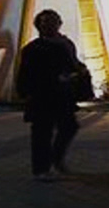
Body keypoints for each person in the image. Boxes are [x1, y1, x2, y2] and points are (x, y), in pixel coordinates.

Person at [18, 9, 87, 181]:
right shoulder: (32, 48)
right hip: (42, 95)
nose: (50, 25)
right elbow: (26, 73)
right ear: (39, 26)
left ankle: (56, 158)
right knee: (42, 132)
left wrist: (79, 71)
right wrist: (25, 93)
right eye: (45, 22)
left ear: (59, 23)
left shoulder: (66, 44)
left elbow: (73, 63)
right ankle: (41, 169)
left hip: (63, 95)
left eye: (54, 21)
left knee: (69, 127)